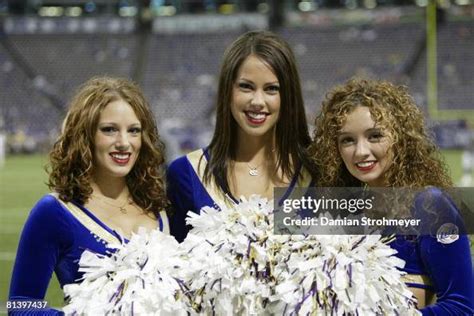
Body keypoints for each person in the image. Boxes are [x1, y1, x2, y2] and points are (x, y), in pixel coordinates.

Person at [308, 78, 473, 314]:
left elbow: (463, 307)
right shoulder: (345, 211)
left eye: (374, 136)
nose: (361, 151)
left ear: (400, 138)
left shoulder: (431, 207)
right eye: (347, 140)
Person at [9, 77, 169, 314]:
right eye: (109, 130)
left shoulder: (160, 207)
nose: (124, 143)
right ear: (86, 135)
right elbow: (20, 305)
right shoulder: (55, 211)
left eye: (134, 131)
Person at [167, 30, 315, 242]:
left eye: (272, 89)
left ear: (288, 96)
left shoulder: (317, 172)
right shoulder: (186, 174)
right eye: (246, 87)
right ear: (227, 91)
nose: (257, 101)